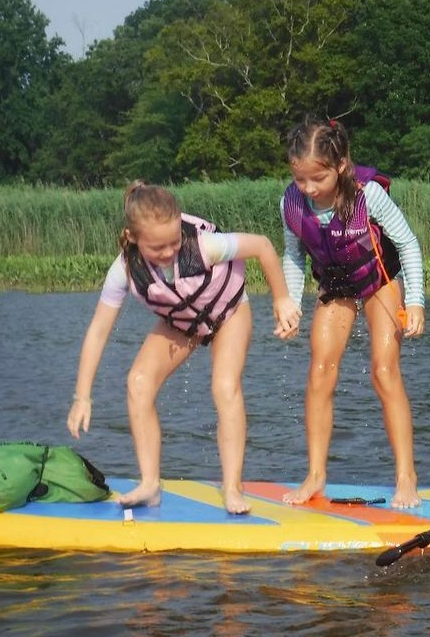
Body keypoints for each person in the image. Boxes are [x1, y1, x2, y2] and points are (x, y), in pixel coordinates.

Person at [67, 181, 301, 513]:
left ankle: (232, 488)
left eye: (174, 242)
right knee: (138, 382)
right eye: (156, 247)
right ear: (132, 238)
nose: (168, 252)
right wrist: (82, 395)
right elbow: (97, 331)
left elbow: (262, 246)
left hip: (229, 312)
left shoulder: (204, 246)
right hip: (184, 323)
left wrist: (281, 299)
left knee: (224, 387)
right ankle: (150, 484)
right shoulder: (122, 271)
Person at [280, 118, 426, 508]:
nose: (309, 189)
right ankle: (315, 475)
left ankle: (406, 477)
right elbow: (293, 255)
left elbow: (408, 244)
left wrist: (415, 301)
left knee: (384, 370)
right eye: (300, 180)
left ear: (341, 165)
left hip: (380, 279)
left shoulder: (369, 195)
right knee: (320, 370)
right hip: (336, 284)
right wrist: (290, 303)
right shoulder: (290, 204)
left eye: (318, 178)